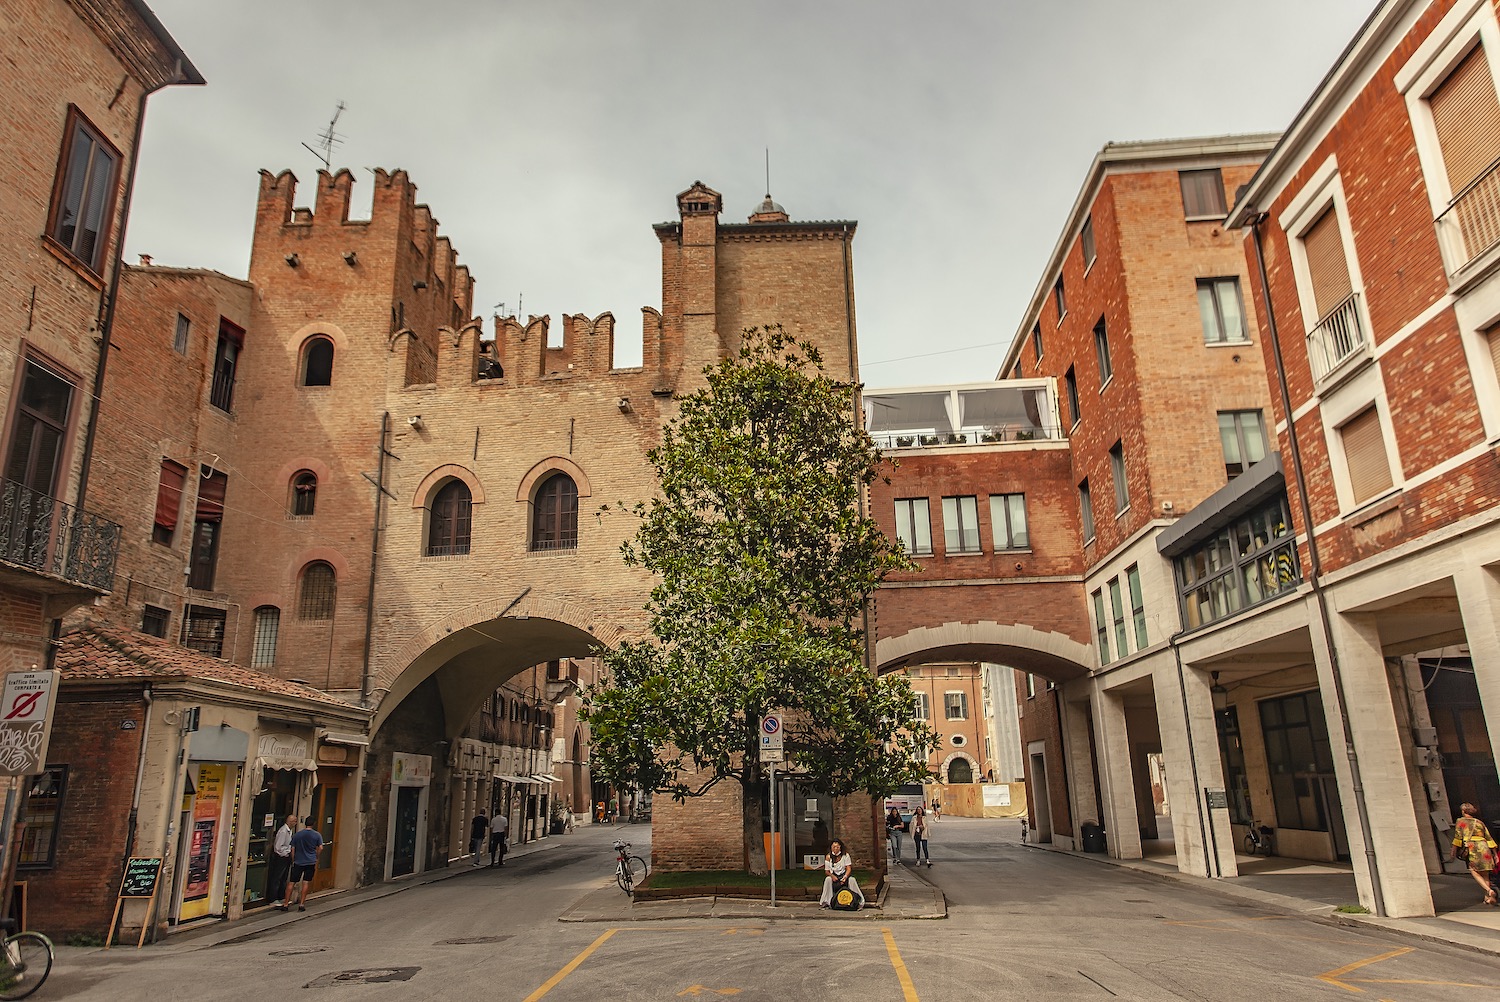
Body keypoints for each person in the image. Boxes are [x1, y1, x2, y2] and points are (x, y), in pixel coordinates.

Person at [1452, 802, 1498, 906]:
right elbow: (1489, 838)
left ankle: (1489, 890)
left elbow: (1458, 837)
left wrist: (1453, 850)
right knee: (1485, 873)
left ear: (1463, 811)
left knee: (1473, 870)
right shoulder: (1480, 822)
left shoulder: (1460, 821)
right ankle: (1488, 898)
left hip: (1472, 848)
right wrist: (1495, 854)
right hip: (1484, 847)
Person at [282, 816, 323, 912]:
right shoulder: (317, 835)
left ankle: (285, 904)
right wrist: (316, 856)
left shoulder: (297, 835)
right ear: (314, 824)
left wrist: (293, 859)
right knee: (305, 882)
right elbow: (320, 847)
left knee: (292, 882)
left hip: (298, 861)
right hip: (310, 861)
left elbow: (292, 848)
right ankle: (301, 904)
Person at [819, 839, 863, 910]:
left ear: (840, 847)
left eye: (837, 847)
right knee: (828, 880)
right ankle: (827, 902)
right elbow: (827, 871)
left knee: (852, 880)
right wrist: (832, 876)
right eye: (833, 847)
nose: (835, 849)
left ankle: (859, 902)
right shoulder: (828, 857)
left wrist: (845, 877)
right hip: (834, 876)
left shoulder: (845, 855)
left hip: (843, 875)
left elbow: (848, 868)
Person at [267, 812, 295, 905]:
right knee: (277, 878)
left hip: (286, 857)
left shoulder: (289, 831)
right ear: (290, 822)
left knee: (284, 878)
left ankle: (281, 896)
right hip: (281, 857)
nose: (295, 823)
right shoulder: (283, 831)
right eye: (294, 821)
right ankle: (273, 898)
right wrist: (287, 852)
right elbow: (278, 847)